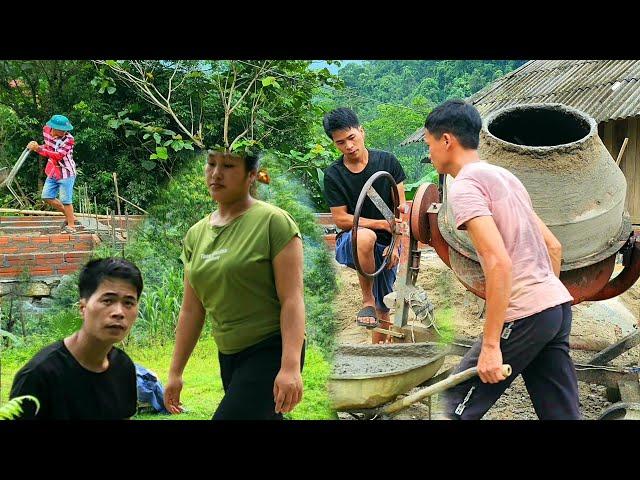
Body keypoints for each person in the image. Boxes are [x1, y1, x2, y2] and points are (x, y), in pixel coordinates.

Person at [423, 99, 581, 419]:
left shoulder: (465, 185)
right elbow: (553, 247)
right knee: (561, 414)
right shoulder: (505, 177)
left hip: (526, 313)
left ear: (446, 140)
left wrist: (492, 344)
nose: (428, 154)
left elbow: (498, 262)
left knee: (452, 404)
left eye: (428, 144)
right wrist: (544, 300)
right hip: (555, 308)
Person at [164, 149, 306, 420]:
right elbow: (191, 311)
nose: (216, 173)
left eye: (228, 165)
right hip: (228, 354)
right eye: (211, 163)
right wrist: (175, 372)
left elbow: (292, 298)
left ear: (251, 175)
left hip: (270, 349)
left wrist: (290, 366)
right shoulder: (195, 235)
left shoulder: (273, 222)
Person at [10, 258, 143, 419]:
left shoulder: (124, 367)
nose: (119, 312)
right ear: (82, 308)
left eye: (128, 303)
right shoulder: (38, 376)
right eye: (108, 301)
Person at [322, 108, 406, 343]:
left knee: (384, 306)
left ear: (361, 131)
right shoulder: (333, 175)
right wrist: (379, 223)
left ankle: (380, 352)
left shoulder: (387, 161)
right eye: (340, 143)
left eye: (351, 138)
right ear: (334, 144)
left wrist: (396, 245)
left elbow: (401, 210)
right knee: (365, 237)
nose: (348, 146)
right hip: (351, 242)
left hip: (386, 244)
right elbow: (341, 219)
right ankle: (365, 299)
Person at [27, 114, 79, 233]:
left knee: (66, 200)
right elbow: (48, 146)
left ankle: (71, 225)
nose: (65, 132)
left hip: (66, 172)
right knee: (46, 196)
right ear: (54, 128)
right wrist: (35, 145)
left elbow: (58, 155)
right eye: (62, 130)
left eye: (66, 130)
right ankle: (70, 215)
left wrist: (38, 149)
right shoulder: (46, 130)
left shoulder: (69, 140)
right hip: (53, 170)